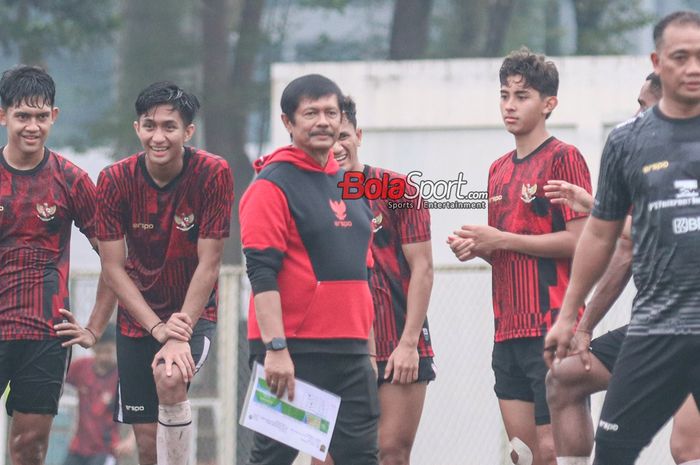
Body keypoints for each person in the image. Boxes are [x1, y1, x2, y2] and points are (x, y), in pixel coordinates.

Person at [544, 11, 700, 465]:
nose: (693, 67)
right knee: (611, 450)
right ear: (658, 60)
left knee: (687, 446)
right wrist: (571, 317)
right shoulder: (627, 142)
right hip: (656, 329)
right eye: (680, 57)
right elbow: (603, 236)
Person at [448, 48, 592, 465]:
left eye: (522, 95)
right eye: (504, 95)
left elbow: (581, 243)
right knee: (523, 454)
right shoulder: (497, 169)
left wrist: (503, 240)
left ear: (549, 104)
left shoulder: (564, 157)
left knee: (554, 452)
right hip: (507, 327)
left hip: (552, 326)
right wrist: (480, 248)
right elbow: (507, 248)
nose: (509, 105)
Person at [240, 74, 379, 465]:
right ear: (288, 122)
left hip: (350, 351)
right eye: (311, 113)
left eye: (330, 113)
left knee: (361, 457)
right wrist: (276, 349)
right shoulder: (271, 185)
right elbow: (262, 273)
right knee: (273, 459)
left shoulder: (349, 185)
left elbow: (361, 275)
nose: (323, 121)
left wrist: (367, 351)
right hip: (293, 351)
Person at [95, 81, 234, 465]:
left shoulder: (213, 172)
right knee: (145, 441)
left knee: (171, 377)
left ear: (188, 131)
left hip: (193, 312)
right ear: (137, 128)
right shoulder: (114, 180)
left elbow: (210, 261)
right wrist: (157, 329)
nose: (159, 136)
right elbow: (112, 266)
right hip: (137, 319)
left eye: (169, 126)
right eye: (149, 125)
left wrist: (178, 333)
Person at [0, 65, 116, 465]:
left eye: (41, 116)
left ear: (54, 116)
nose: (32, 126)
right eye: (22, 116)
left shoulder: (71, 180)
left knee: (28, 448)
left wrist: (95, 327)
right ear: (3, 116)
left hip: (45, 336)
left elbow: (116, 258)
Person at [313, 96, 435, 465]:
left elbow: (423, 270)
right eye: (328, 139)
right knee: (326, 458)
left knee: (390, 454)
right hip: (334, 349)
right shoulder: (306, 197)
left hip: (395, 342)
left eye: (344, 136)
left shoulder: (397, 190)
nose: (336, 147)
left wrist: (409, 343)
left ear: (358, 135)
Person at [63, 324, 135, 465]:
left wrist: (131, 440)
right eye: (100, 351)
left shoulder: (123, 377)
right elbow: (56, 380)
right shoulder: (81, 368)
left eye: (108, 351)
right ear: (94, 348)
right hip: (78, 447)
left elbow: (139, 410)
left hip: (106, 450)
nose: (104, 356)